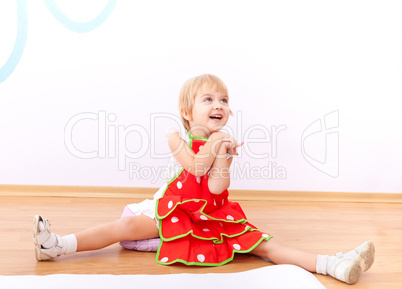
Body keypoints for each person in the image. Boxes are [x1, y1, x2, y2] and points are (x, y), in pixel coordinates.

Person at [33, 74, 374, 285]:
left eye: (224, 100)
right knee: (123, 227)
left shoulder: (221, 140)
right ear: (187, 112)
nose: (219, 105)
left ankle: (334, 264)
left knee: (266, 245)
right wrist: (214, 145)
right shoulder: (175, 138)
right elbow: (195, 169)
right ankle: (58, 246)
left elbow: (215, 187)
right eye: (208, 99)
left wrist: (223, 155)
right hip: (176, 211)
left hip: (213, 213)